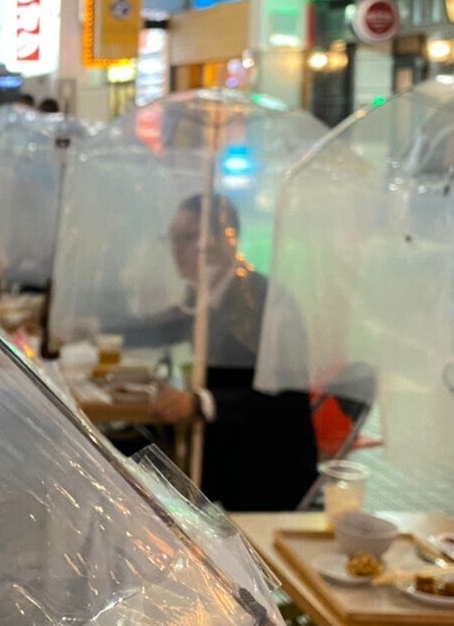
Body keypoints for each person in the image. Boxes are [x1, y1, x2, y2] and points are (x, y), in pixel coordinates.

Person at [135, 193, 318, 511]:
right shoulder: (206, 293)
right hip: (220, 448)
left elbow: (286, 402)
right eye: (174, 238)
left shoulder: (264, 303)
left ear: (225, 240)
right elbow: (165, 327)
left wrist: (201, 402)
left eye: (189, 238)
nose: (177, 249)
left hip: (267, 467)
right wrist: (95, 329)